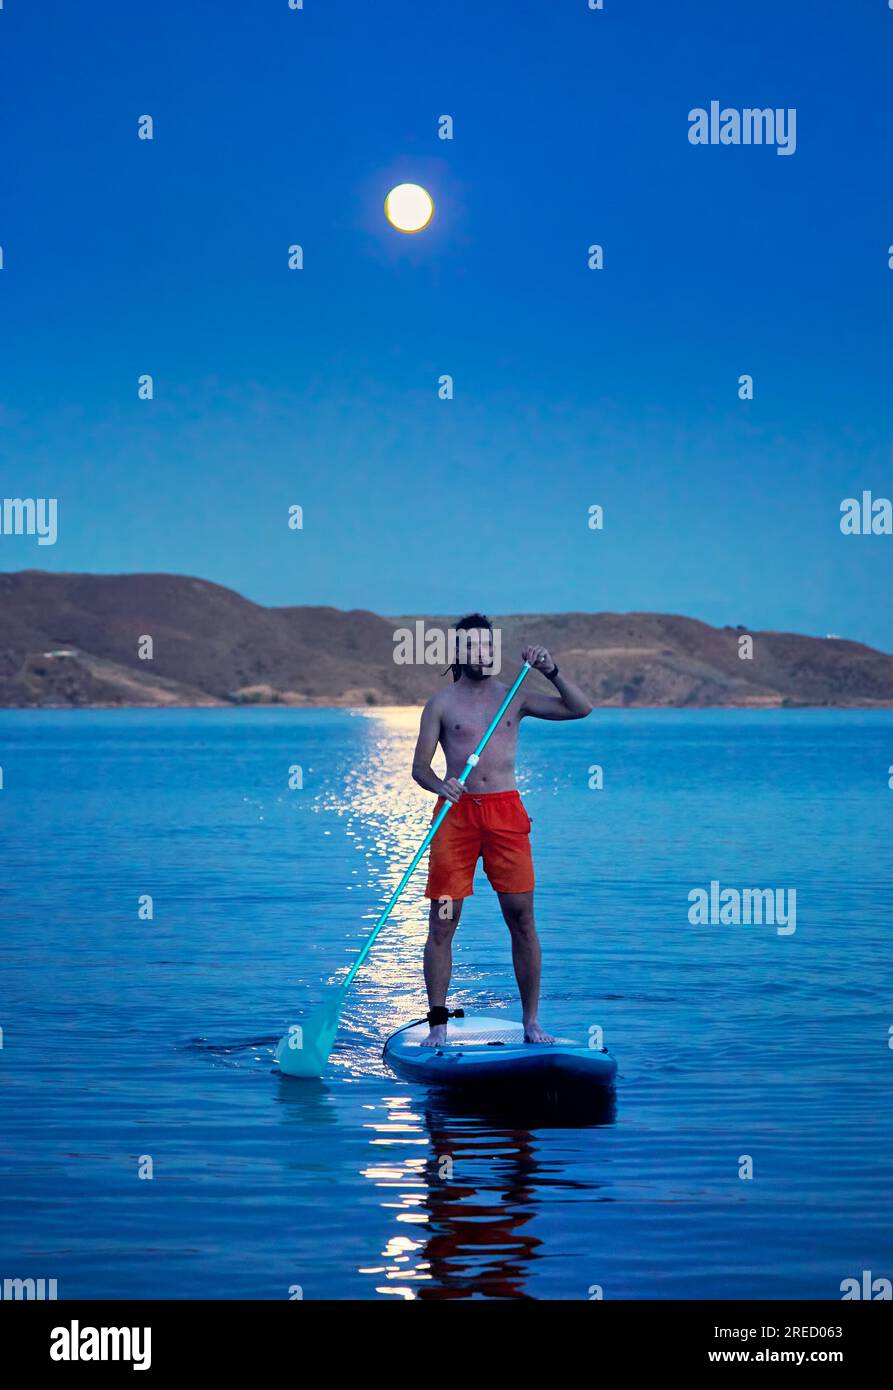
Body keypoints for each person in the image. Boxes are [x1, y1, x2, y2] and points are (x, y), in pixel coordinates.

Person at [411, 613, 592, 1045]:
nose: (483, 653)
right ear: (458, 652)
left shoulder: (515, 697)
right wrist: (442, 784)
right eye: (472, 647)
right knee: (443, 920)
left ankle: (531, 1023)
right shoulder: (440, 703)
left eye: (488, 646)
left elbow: (579, 708)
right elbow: (419, 768)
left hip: (505, 813)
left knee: (522, 919)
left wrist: (552, 671)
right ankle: (438, 1025)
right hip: (455, 815)